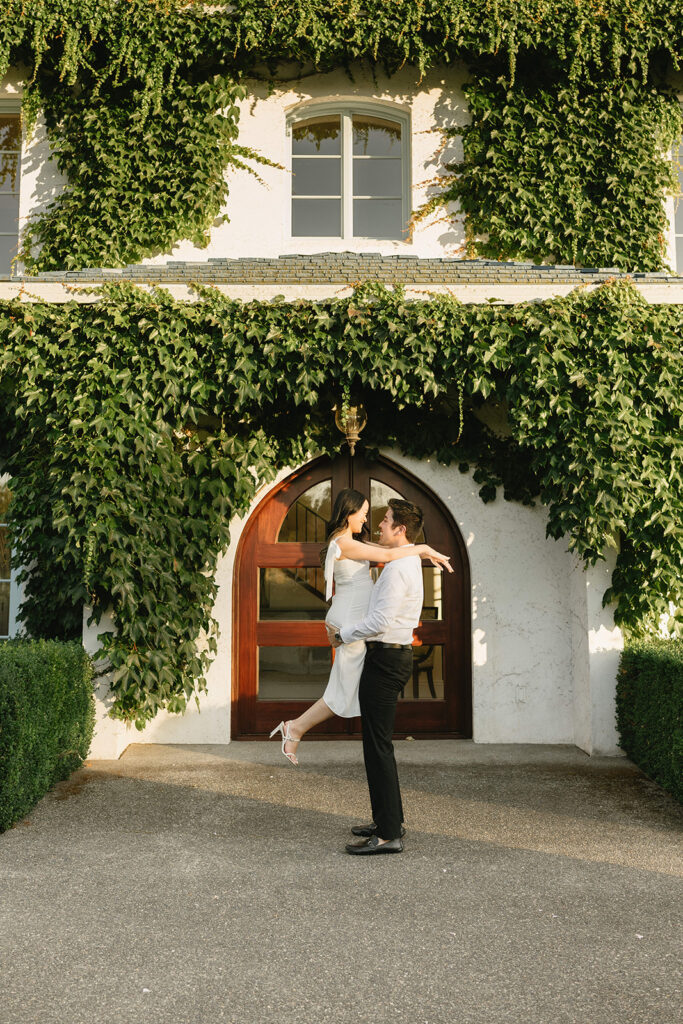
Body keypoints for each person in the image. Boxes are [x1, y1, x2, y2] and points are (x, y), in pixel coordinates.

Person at [270, 488, 451, 765]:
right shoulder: (343, 543)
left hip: (350, 616)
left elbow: (390, 549)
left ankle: (295, 728)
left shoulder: (351, 541)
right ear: (349, 513)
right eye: (364, 515)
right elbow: (391, 556)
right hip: (349, 618)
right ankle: (294, 728)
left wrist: (417, 550)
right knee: (343, 689)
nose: (366, 521)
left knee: (347, 686)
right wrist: (424, 548)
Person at [327, 497, 427, 856]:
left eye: (385, 521)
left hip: (386, 661)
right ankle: (389, 820)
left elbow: (380, 622)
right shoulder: (403, 561)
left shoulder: (399, 569)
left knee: (378, 747)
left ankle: (387, 835)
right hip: (388, 658)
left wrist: (343, 635)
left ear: (400, 530)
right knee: (378, 746)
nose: (379, 525)